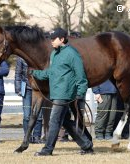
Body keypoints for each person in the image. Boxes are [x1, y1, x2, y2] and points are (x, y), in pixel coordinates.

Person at [29, 27, 93, 156]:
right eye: (50, 39)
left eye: (54, 39)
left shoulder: (71, 53)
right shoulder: (54, 54)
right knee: (63, 121)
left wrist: (80, 92)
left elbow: (80, 74)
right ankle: (86, 145)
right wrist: (35, 73)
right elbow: (51, 73)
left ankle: (47, 149)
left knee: (54, 121)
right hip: (57, 92)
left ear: (62, 39)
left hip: (65, 93)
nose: (51, 41)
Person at [14, 56, 43, 144]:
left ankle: (37, 136)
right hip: (26, 88)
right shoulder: (20, 58)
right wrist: (18, 89)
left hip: (39, 89)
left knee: (39, 115)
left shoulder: (38, 55)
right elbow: (18, 74)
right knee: (27, 115)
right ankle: (27, 136)